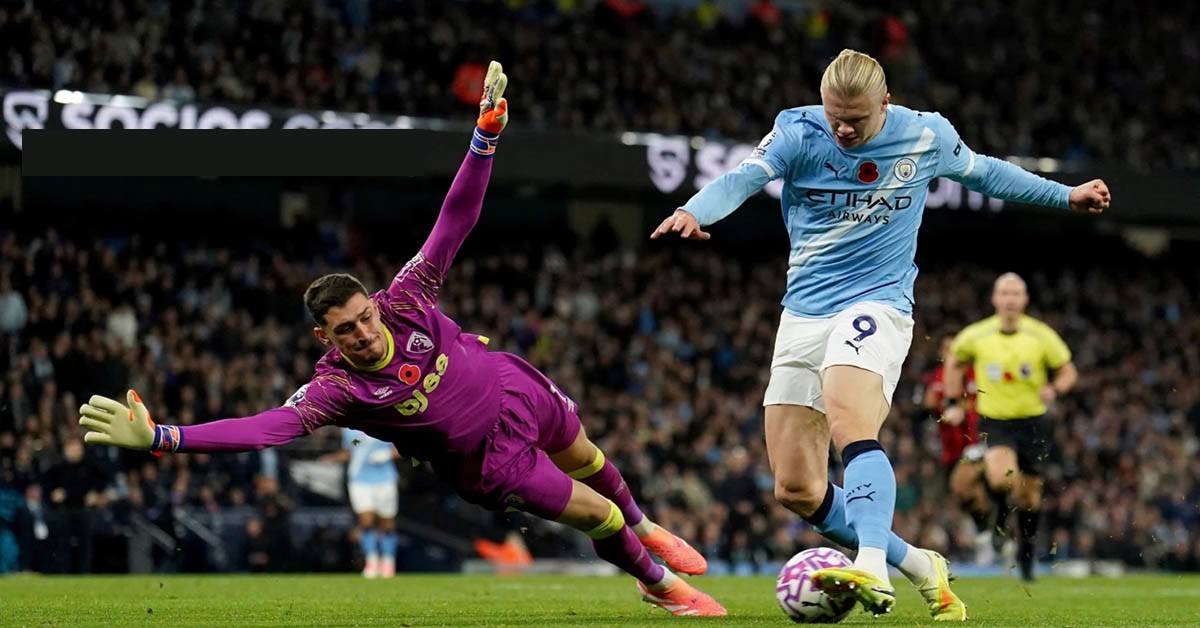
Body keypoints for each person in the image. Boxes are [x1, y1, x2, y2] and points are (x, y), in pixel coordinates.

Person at [78, 61, 725, 617]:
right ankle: (660, 586)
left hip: (512, 385)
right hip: (492, 461)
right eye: (346, 329)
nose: (364, 332)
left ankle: (646, 525)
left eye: (365, 316)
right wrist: (165, 437)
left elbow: (455, 220)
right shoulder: (337, 388)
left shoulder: (407, 296)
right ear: (324, 336)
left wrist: (484, 138)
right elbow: (265, 428)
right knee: (596, 515)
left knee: (588, 455)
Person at [652, 48, 1109, 618]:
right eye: (835, 116)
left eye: (857, 119)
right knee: (797, 488)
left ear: (886, 103)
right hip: (803, 314)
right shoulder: (797, 131)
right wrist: (696, 210)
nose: (843, 129)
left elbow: (987, 172)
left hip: (878, 304)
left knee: (850, 421)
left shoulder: (924, 135)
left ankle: (870, 565)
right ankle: (918, 564)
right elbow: (743, 177)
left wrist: (1064, 194)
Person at [942, 272, 1077, 582]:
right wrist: (952, 401)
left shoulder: (1041, 335)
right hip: (996, 420)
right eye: (1005, 293)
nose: (1010, 300)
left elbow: (1068, 371)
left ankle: (1026, 551)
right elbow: (954, 362)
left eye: (1016, 294)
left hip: (1033, 422)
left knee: (1030, 497)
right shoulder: (977, 335)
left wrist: (1055, 389)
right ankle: (1001, 521)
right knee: (1001, 477)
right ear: (995, 299)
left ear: (1025, 300)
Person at [922, 335, 993, 565]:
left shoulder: (976, 373)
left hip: (976, 444)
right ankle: (986, 534)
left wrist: (962, 406)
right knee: (962, 495)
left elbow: (988, 402)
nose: (952, 354)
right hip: (950, 448)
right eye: (947, 349)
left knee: (964, 486)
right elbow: (929, 403)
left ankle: (986, 538)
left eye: (956, 348)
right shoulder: (938, 376)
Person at [319, 428, 401, 578]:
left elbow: (404, 450)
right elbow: (349, 451)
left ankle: (388, 560)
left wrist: (387, 454)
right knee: (366, 521)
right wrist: (332, 458)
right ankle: (371, 560)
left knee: (387, 524)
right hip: (359, 481)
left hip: (385, 480)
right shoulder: (349, 430)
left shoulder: (388, 423)